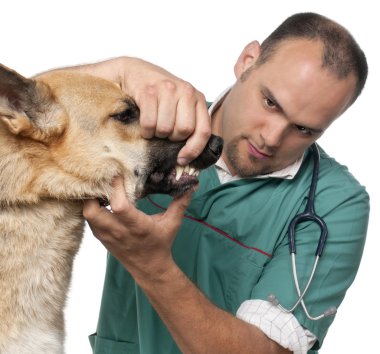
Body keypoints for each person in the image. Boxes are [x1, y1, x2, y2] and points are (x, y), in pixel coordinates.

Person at [76, 12, 369, 354]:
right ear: (247, 61)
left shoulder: (336, 204)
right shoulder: (158, 123)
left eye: (305, 129)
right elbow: (22, 127)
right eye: (271, 102)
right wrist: (121, 70)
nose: (272, 138)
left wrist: (153, 266)